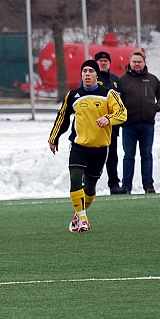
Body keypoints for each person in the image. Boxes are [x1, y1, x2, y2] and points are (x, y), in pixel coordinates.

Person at [49, 60, 126, 233]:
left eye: (91, 71)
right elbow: (62, 117)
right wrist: (53, 138)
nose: (87, 74)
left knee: (90, 188)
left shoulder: (109, 94)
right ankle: (83, 219)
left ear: (97, 75)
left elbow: (122, 113)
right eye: (84, 71)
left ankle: (79, 214)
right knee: (75, 179)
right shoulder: (73, 95)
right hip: (79, 146)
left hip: (100, 148)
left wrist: (108, 119)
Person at [117, 50, 160, 194]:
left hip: (147, 124)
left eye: (139, 62)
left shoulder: (152, 79)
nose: (137, 64)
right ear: (130, 63)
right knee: (128, 156)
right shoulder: (122, 80)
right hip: (128, 125)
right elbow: (114, 99)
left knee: (146, 155)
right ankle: (126, 186)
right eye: (134, 62)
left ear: (144, 63)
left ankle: (148, 186)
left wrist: (156, 107)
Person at [94, 51, 125, 194]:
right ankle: (89, 183)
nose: (103, 63)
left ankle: (114, 183)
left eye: (106, 61)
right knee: (93, 156)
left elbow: (122, 101)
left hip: (111, 126)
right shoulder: (91, 79)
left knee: (112, 156)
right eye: (100, 60)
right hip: (95, 126)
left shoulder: (115, 79)